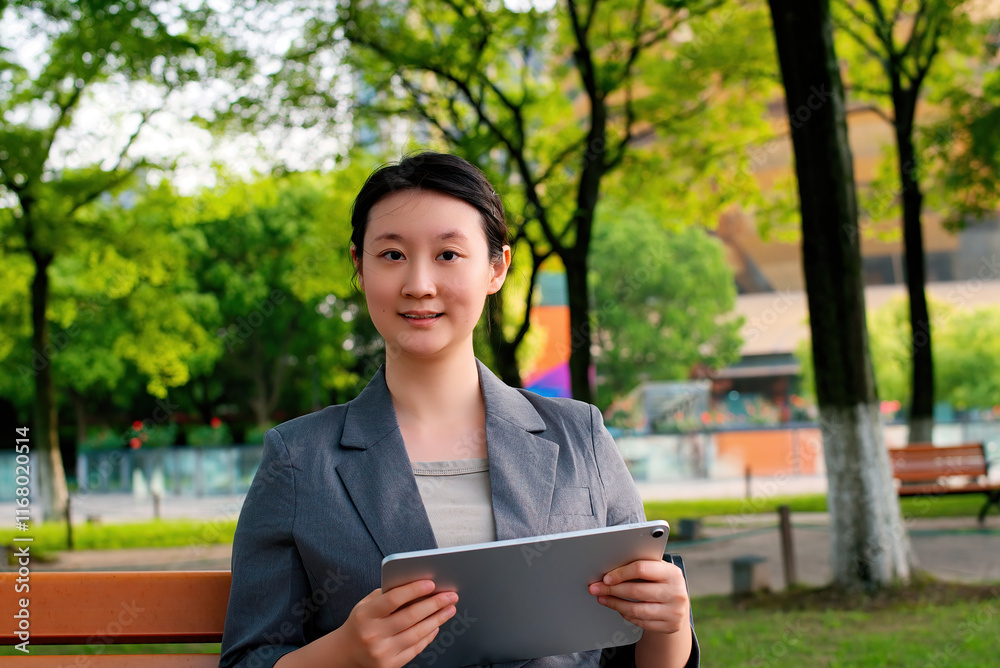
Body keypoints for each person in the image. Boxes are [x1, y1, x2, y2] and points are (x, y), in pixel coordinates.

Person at [219, 152, 699, 668]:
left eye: (448, 254)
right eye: (392, 255)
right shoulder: (298, 460)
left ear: (497, 269)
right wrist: (345, 654)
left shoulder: (579, 435)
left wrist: (670, 627)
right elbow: (249, 657)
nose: (419, 283)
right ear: (359, 266)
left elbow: (631, 651)